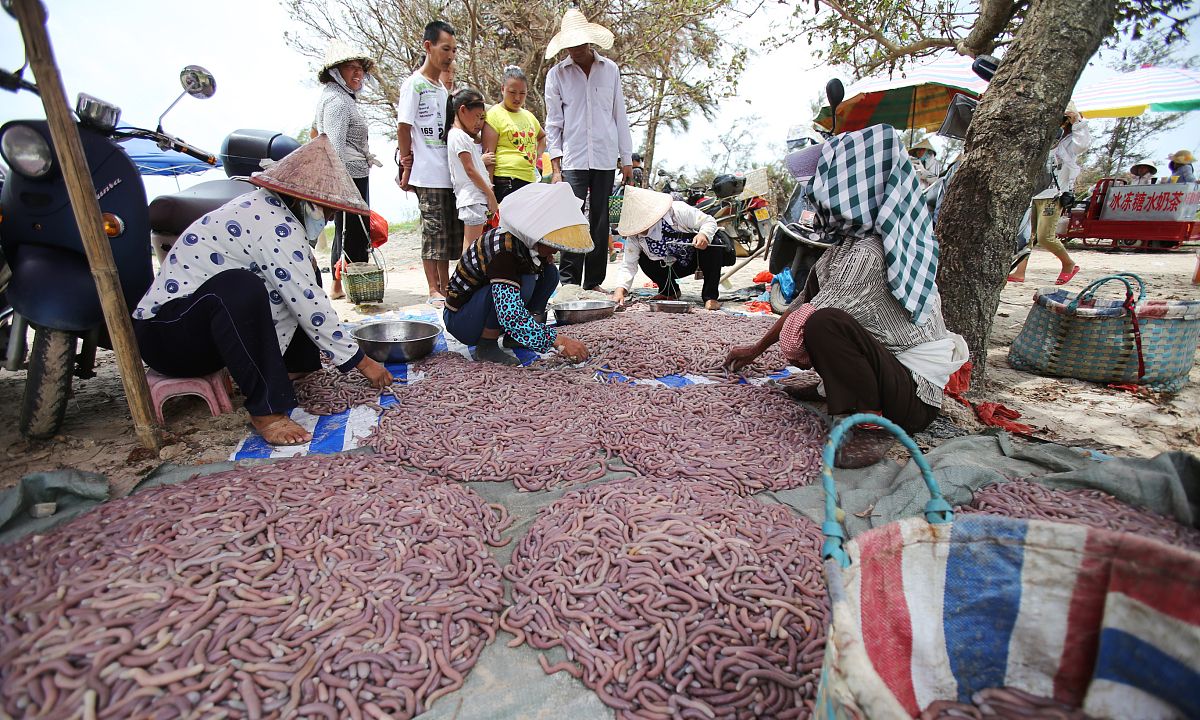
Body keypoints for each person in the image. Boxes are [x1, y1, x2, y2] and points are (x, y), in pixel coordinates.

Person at [724, 128, 967, 469]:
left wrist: (791, 344)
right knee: (820, 320)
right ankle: (837, 388)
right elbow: (801, 303)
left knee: (825, 325)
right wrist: (756, 348)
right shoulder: (845, 246)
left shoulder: (871, 251)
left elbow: (805, 326)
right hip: (887, 370)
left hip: (911, 396)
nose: (815, 197)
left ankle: (869, 424)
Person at [132, 136, 393, 446]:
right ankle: (266, 411)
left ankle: (296, 369)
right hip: (167, 336)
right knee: (241, 286)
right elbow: (308, 304)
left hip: (203, 330)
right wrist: (362, 362)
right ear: (304, 200)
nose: (330, 219)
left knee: (302, 273)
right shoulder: (272, 224)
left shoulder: (274, 214)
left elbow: (299, 293)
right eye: (328, 211)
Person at [444, 183, 591, 366]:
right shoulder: (505, 252)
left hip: (479, 309)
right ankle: (486, 344)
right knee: (526, 281)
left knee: (549, 274)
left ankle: (518, 338)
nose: (554, 249)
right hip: (461, 319)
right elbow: (510, 314)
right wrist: (558, 341)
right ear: (537, 234)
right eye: (552, 242)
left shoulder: (524, 242)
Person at [544, 8, 634, 291]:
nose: (577, 49)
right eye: (571, 44)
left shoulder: (610, 70)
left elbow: (620, 115)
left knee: (600, 218)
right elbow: (553, 123)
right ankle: (569, 281)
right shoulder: (556, 75)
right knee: (571, 217)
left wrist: (626, 159)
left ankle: (594, 281)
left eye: (581, 42)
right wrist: (556, 168)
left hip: (605, 156)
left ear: (589, 40)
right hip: (573, 158)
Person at [398, 21, 461, 307]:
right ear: (429, 46)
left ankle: (446, 286)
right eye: (445, 48)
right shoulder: (414, 85)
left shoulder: (441, 88)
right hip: (425, 173)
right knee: (432, 232)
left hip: (446, 172)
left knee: (447, 234)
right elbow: (404, 126)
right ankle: (433, 287)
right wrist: (406, 165)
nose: (449, 55)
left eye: (453, 50)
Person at [313, 40, 379, 301]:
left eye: (360, 69)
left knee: (345, 231)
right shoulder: (337, 102)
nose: (358, 74)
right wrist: (339, 185)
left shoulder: (338, 97)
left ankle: (340, 286)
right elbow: (333, 146)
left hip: (353, 174)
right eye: (351, 68)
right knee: (353, 233)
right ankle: (356, 287)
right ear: (336, 71)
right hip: (348, 176)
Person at [1007, 102, 1088, 285]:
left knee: (1045, 236)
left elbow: (1083, 145)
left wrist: (1077, 121)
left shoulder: (1070, 142)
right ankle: (1020, 272)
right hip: (1035, 193)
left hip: (1054, 194)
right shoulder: (1046, 141)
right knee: (1028, 236)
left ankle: (1068, 264)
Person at [613, 186, 724, 310]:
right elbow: (628, 264)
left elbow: (709, 221)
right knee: (643, 258)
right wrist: (620, 290)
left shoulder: (678, 211)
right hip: (667, 266)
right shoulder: (634, 236)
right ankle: (670, 291)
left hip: (694, 259)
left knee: (713, 243)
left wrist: (703, 235)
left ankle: (710, 297)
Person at [482, 66, 547, 203]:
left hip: (530, 179)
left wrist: (537, 155)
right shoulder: (494, 115)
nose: (517, 98)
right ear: (502, 89)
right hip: (506, 181)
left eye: (522, 93)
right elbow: (489, 156)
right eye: (512, 92)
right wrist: (490, 190)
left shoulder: (529, 116)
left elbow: (542, 136)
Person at [447, 89, 499, 254]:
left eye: (482, 118)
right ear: (462, 110)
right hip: (472, 198)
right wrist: (490, 195)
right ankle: (465, 279)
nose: (479, 123)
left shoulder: (461, 136)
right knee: (470, 250)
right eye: (477, 116)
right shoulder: (458, 136)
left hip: (475, 198)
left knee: (473, 249)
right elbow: (469, 169)